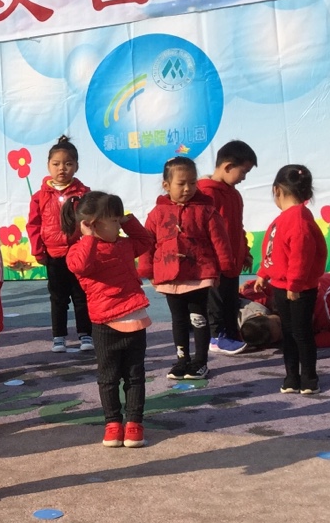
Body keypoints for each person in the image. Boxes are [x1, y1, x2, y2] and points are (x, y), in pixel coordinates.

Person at [66, 192, 157, 449]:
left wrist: (128, 220)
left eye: (119, 220)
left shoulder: (124, 244)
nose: (118, 225)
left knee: (135, 376)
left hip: (135, 317)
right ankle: (113, 423)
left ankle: (134, 423)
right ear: (93, 224)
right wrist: (88, 237)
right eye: (114, 221)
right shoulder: (79, 251)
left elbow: (145, 240)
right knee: (108, 377)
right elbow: (80, 267)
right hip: (105, 323)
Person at [139, 158, 236, 381]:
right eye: (181, 183)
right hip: (169, 275)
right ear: (166, 185)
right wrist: (148, 270)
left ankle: (200, 362)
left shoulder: (206, 210)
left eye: (192, 183)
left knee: (198, 317)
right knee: (179, 319)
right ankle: (182, 361)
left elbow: (220, 240)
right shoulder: (157, 213)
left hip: (199, 273)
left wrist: (224, 266)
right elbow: (147, 243)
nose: (187, 188)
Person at [254, 164, 328, 395]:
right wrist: (263, 273)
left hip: (299, 288)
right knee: (288, 332)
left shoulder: (299, 220)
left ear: (276, 190)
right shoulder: (284, 219)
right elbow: (274, 250)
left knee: (301, 333)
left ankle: (309, 378)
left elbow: (300, 256)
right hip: (281, 285)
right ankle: (292, 377)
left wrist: (294, 284)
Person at [27, 136, 92, 353]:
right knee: (58, 298)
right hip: (53, 255)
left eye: (68, 163)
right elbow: (33, 225)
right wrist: (38, 251)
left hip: (78, 253)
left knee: (81, 296)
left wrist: (89, 246)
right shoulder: (40, 196)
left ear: (76, 166)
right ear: (48, 166)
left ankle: (86, 334)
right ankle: (59, 336)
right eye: (56, 164)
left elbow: (91, 221)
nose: (62, 168)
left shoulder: (84, 194)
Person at [199, 140, 258, 355]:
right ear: (227, 166)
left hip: (232, 260)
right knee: (215, 299)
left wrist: (245, 252)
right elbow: (202, 230)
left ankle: (232, 333)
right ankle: (216, 336)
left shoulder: (234, 194)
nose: (244, 177)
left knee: (231, 300)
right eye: (243, 171)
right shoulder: (205, 193)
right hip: (214, 261)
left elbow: (237, 227)